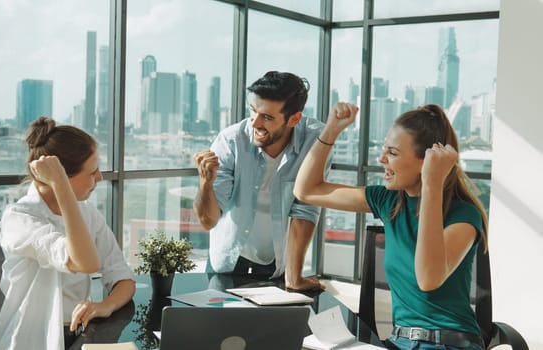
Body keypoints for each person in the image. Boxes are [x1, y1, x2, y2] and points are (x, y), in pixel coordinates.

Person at [294, 103, 488, 350]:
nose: (381, 159)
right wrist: (331, 131)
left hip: (449, 343)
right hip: (398, 342)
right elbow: (306, 190)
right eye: (384, 150)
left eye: (393, 153)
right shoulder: (389, 202)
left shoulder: (463, 215)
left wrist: (432, 183)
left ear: (426, 161)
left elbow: (428, 279)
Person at [0, 117, 136, 350]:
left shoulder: (87, 212)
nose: (99, 178)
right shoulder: (19, 218)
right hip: (32, 339)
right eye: (92, 172)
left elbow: (123, 278)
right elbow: (85, 262)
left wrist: (105, 305)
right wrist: (61, 185)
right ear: (60, 177)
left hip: (78, 334)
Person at [193, 71, 331, 291]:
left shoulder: (315, 141)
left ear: (295, 119)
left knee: (272, 325)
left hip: (277, 262)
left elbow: (305, 211)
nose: (255, 123)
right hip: (228, 260)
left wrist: (294, 277)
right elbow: (207, 221)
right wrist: (205, 184)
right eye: (253, 111)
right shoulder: (230, 141)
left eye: (267, 117)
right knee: (220, 325)